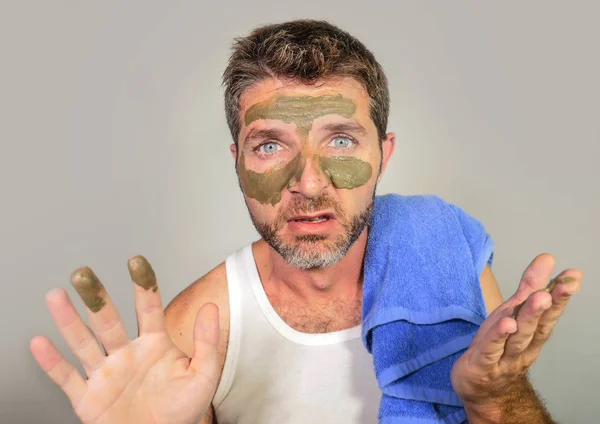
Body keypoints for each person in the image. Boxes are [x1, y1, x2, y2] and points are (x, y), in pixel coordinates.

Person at [29, 19, 583, 424]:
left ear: (384, 154)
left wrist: (497, 402)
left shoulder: (447, 260)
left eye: (340, 140)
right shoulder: (193, 331)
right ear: (238, 162)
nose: (310, 183)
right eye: (270, 145)